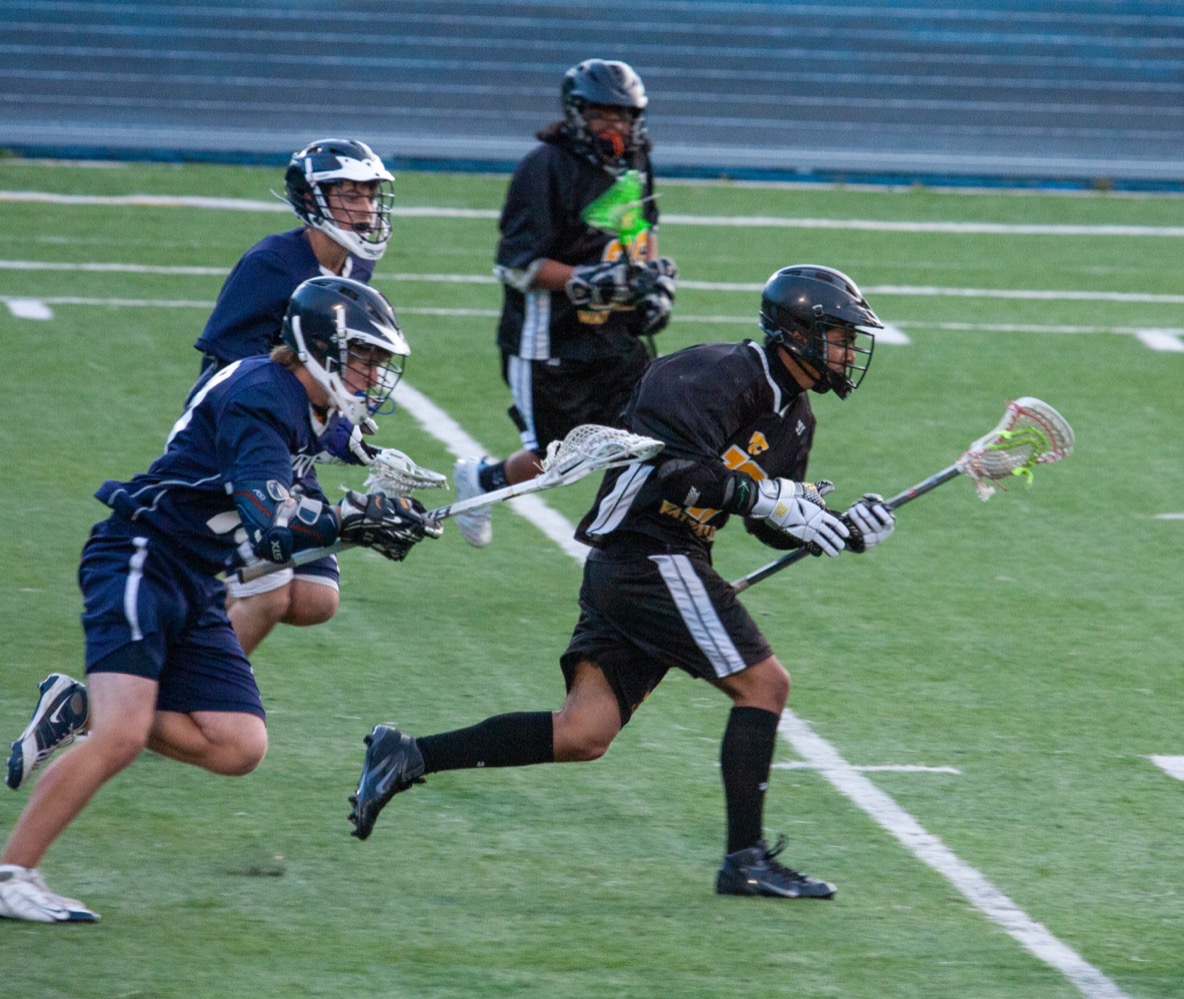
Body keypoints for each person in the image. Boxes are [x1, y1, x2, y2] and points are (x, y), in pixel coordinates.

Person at [347, 265, 896, 901]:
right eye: (839, 337)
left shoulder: (795, 418)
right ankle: (743, 859)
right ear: (799, 332)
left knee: (583, 732)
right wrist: (770, 500)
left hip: (660, 559)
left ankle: (407, 754)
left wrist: (839, 527)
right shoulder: (714, 373)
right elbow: (674, 472)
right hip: (647, 552)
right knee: (765, 684)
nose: (849, 352)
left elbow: (768, 522)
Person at [0, 277, 439, 923]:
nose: (373, 373)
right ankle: (14, 873)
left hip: (196, 579)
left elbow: (323, 445)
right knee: (120, 738)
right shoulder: (262, 396)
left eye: (378, 360)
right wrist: (352, 518)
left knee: (238, 744)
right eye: (363, 356)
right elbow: (273, 526)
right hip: (142, 558)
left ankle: (83, 704)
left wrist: (383, 501)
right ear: (317, 347)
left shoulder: (301, 395)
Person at [451, 58, 677, 549]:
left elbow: (640, 228)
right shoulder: (545, 167)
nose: (614, 126)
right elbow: (517, 265)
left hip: (613, 335)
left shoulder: (633, 160)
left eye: (623, 116)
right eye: (602, 114)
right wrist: (585, 280)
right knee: (561, 458)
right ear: (576, 113)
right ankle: (485, 481)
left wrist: (647, 284)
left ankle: (640, 544)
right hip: (549, 339)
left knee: (653, 432)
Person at [194, 138, 397, 655]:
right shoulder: (271, 263)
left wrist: (342, 416)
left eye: (370, 195)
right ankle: (201, 688)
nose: (365, 208)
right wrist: (330, 427)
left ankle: (192, 639)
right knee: (271, 589)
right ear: (312, 199)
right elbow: (230, 370)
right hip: (243, 438)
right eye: (349, 195)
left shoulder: (354, 267)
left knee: (316, 597)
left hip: (294, 439)